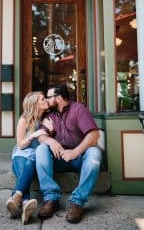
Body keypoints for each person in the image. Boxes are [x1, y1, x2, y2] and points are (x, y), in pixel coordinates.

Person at [36, 83, 102, 224]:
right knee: (41, 148)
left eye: (48, 97)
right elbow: (41, 136)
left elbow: (95, 135)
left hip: (79, 158)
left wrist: (75, 152)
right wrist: (51, 141)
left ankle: (77, 202)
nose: (46, 100)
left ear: (58, 98)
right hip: (58, 159)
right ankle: (51, 199)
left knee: (95, 154)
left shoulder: (78, 109)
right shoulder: (49, 114)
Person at [6, 91, 51, 225]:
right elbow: (20, 145)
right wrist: (33, 135)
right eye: (43, 99)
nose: (46, 100)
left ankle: (16, 198)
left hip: (34, 156)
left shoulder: (47, 119)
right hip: (21, 155)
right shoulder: (24, 120)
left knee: (30, 162)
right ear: (35, 104)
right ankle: (25, 202)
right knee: (25, 164)